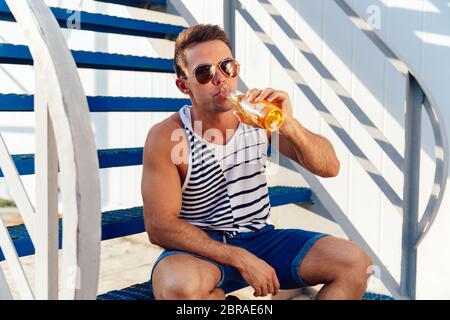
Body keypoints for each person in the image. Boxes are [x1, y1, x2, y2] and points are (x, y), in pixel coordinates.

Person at [141, 24, 373, 300]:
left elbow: (329, 167)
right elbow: (160, 226)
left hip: (262, 238)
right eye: (204, 73)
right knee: (179, 288)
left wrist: (289, 125)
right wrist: (239, 257)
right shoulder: (168, 136)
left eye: (227, 66)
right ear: (184, 85)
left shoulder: (257, 118)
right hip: (201, 248)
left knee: (357, 264)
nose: (220, 78)